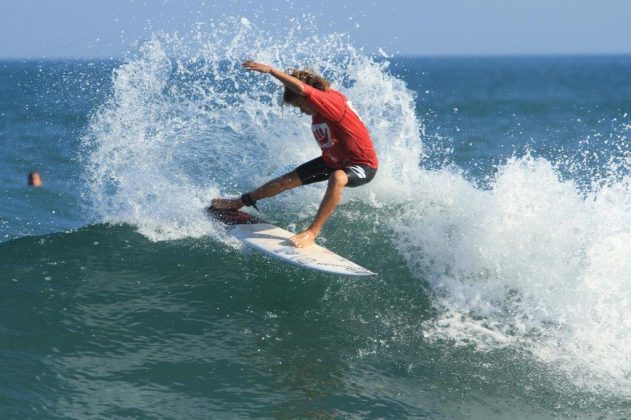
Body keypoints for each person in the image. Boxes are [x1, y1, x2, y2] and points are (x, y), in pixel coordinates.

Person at [211, 60, 378, 247]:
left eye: (300, 106)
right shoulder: (323, 106)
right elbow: (304, 92)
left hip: (361, 164)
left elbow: (303, 90)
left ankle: (312, 232)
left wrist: (271, 71)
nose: (302, 111)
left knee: (338, 178)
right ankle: (239, 202)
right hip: (332, 161)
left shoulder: (331, 103)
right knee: (286, 180)